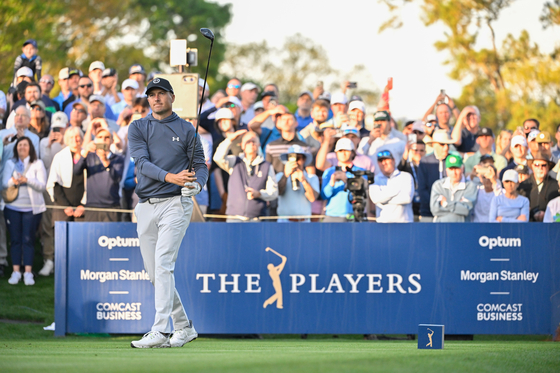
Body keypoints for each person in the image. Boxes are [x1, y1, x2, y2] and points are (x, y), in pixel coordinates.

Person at [128, 77, 208, 348]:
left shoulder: (186, 129)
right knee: (155, 273)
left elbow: (201, 164)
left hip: (176, 203)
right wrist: (170, 176)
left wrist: (197, 184)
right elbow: (142, 163)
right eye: (152, 94)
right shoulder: (138, 126)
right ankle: (184, 326)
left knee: (163, 264)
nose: (156, 98)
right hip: (146, 205)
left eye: (161, 93)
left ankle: (160, 331)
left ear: (172, 97)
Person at [3, 137, 47, 285]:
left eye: (25, 145)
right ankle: (16, 271)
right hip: (12, 207)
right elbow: (3, 183)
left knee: (28, 240)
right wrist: (13, 181)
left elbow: (42, 186)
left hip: (32, 209)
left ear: (30, 147)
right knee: (15, 240)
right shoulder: (10, 163)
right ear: (16, 147)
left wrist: (27, 180)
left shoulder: (38, 163)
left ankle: (28, 272)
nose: (22, 147)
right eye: (20, 145)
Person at [213, 131, 278, 221]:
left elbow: (274, 192)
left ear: (259, 145)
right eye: (248, 141)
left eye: (254, 141)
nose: (251, 144)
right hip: (234, 217)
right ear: (242, 145)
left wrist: (259, 194)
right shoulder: (235, 162)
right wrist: (229, 140)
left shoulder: (266, 166)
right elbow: (218, 158)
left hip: (256, 218)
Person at [38, 112, 68, 276]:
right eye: (55, 128)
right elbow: (45, 164)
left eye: (60, 128)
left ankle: (63, 260)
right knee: (48, 226)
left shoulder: (69, 140)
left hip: (67, 189)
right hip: (49, 189)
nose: (57, 131)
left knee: (64, 226)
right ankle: (48, 260)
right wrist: (49, 145)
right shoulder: (44, 141)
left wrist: (64, 143)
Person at [74, 128, 124, 222]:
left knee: (112, 236)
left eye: (106, 137)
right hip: (92, 206)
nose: (103, 139)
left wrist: (105, 160)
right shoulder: (89, 156)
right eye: (100, 137)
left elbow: (117, 178)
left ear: (112, 140)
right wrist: (85, 152)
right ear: (96, 140)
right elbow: (76, 172)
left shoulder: (118, 158)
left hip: (112, 207)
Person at [47, 126, 86, 227]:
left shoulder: (88, 156)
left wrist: (83, 205)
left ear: (81, 138)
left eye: (77, 136)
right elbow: (54, 182)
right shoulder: (59, 157)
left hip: (82, 207)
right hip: (62, 206)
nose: (75, 140)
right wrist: (65, 206)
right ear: (66, 140)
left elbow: (92, 183)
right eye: (71, 137)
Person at [321, 138, 365, 222]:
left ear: (352, 153)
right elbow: (324, 196)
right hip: (332, 215)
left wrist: (347, 181)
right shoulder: (329, 172)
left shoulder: (360, 172)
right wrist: (332, 183)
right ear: (336, 153)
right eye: (340, 151)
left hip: (352, 215)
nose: (343, 154)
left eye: (347, 151)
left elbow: (362, 193)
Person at [417, 130, 455, 222]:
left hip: (450, 213)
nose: (446, 148)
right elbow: (422, 188)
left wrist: (447, 205)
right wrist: (435, 205)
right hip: (428, 213)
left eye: (448, 144)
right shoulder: (425, 161)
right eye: (442, 144)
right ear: (434, 144)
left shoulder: (454, 161)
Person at [369, 149, 414, 222]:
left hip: (404, 223)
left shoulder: (405, 176)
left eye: (387, 160)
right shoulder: (375, 179)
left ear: (393, 160)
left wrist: (382, 200)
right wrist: (396, 191)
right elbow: (375, 199)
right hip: (383, 223)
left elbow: (407, 198)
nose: (384, 163)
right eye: (381, 161)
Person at [276, 145, 319, 222]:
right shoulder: (279, 176)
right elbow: (278, 192)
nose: (295, 162)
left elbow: (312, 198)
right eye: (291, 158)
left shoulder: (312, 177)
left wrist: (304, 181)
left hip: (304, 222)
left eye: (298, 158)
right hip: (284, 222)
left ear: (304, 160)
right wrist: (285, 176)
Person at [430, 154, 477, 222]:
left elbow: (466, 210)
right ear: (446, 170)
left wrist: (445, 203)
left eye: (456, 168)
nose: (454, 172)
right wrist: (458, 206)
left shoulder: (470, 186)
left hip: (462, 228)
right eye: (451, 169)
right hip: (441, 227)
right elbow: (435, 209)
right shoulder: (438, 185)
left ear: (462, 168)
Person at [518, 152, 559, 222]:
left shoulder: (556, 186)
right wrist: (531, 213)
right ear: (532, 166)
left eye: (543, 165)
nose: (540, 168)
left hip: (548, 226)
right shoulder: (523, 185)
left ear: (548, 167)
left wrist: (546, 214)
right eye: (537, 165)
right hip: (528, 225)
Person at [398, 140, 425, 217]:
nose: (418, 153)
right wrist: (405, 156)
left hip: (424, 208)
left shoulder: (428, 166)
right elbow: (395, 173)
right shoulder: (407, 166)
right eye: (416, 150)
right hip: (410, 209)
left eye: (421, 150)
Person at [470, 156, 502, 222]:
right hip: (477, 227)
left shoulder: (500, 191)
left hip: (493, 227)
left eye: (489, 177)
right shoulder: (477, 190)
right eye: (484, 177)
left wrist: (492, 179)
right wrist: (472, 175)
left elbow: (500, 197)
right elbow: (467, 187)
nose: (487, 180)